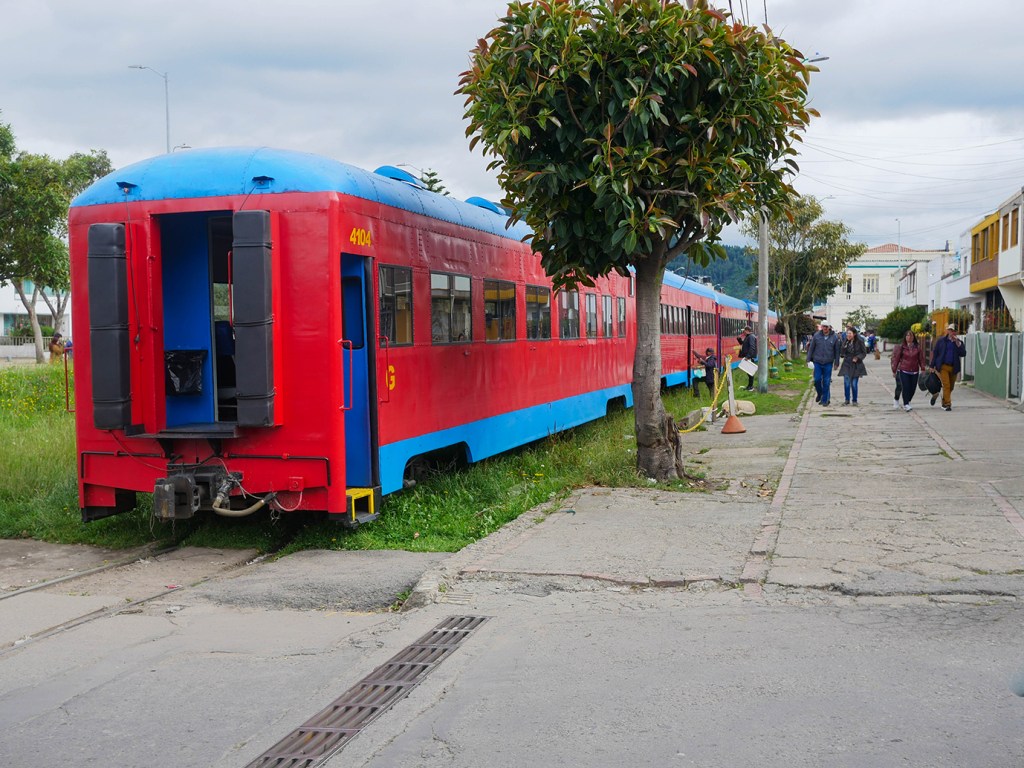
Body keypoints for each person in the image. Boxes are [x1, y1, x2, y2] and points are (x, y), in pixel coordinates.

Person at [929, 323, 967, 411]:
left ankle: (944, 401)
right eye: (951, 330)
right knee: (946, 385)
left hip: (953, 367)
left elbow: (963, 353)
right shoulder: (941, 341)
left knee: (951, 387)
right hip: (943, 366)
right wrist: (932, 365)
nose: (953, 332)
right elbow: (936, 353)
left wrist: (957, 343)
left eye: (954, 331)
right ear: (948, 331)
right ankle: (947, 404)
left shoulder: (959, 343)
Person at [806, 320, 841, 406]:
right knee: (817, 379)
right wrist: (808, 359)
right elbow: (811, 348)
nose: (824, 328)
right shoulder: (817, 336)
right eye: (823, 326)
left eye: (826, 326)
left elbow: (837, 351)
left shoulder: (834, 337)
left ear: (829, 327)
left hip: (828, 362)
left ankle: (825, 400)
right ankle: (820, 393)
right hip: (817, 361)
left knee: (826, 381)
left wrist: (836, 362)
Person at [890, 329, 926, 412]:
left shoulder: (917, 347)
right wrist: (894, 370)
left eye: (911, 335)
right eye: (907, 335)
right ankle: (905, 404)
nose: (909, 337)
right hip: (904, 370)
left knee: (912, 389)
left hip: (914, 371)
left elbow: (921, 359)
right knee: (905, 387)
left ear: (913, 337)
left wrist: (923, 368)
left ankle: (908, 401)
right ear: (905, 337)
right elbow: (896, 359)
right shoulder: (901, 347)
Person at [839, 327, 867, 406]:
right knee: (846, 383)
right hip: (847, 364)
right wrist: (843, 348)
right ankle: (847, 400)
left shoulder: (860, 341)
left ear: (854, 334)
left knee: (854, 384)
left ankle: (854, 400)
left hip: (856, 364)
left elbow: (864, 353)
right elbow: (842, 352)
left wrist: (857, 357)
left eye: (850, 333)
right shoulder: (845, 341)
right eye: (847, 333)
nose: (848, 335)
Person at [737, 325, 757, 391]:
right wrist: (739, 339)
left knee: (750, 372)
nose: (743, 332)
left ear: (747, 330)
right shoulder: (748, 337)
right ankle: (749, 386)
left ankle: (750, 387)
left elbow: (752, 347)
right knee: (748, 372)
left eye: (744, 331)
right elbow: (744, 344)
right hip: (748, 356)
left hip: (749, 357)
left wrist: (748, 356)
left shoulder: (751, 337)